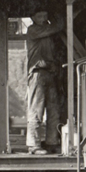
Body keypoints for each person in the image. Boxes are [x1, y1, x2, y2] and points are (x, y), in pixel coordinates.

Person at [25, 8, 64, 155]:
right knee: (36, 110)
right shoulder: (33, 30)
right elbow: (57, 27)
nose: (43, 19)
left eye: (45, 16)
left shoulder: (48, 32)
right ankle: (33, 145)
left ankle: (51, 142)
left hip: (50, 72)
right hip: (38, 74)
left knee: (54, 109)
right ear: (33, 18)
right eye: (40, 16)